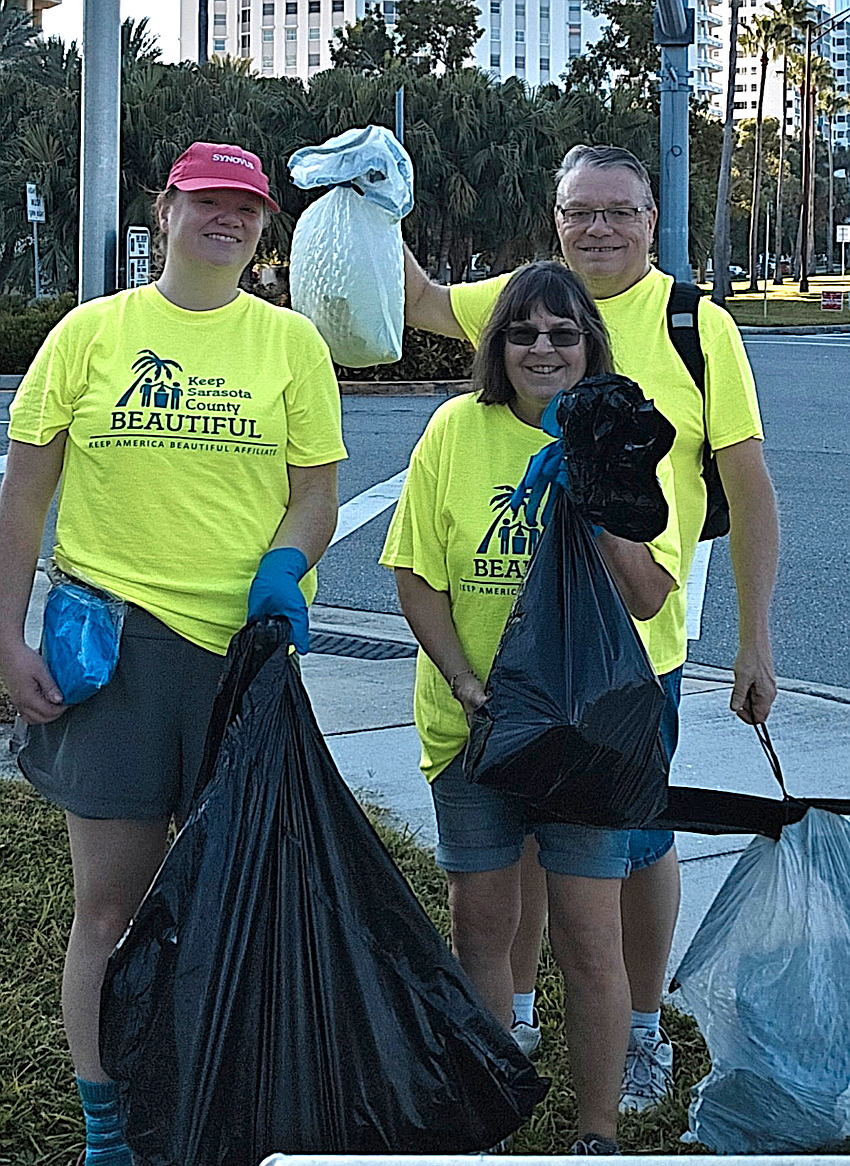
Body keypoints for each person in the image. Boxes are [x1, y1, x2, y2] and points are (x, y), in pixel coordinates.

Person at [402, 143, 779, 1115]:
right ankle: (516, 1015)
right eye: (581, 211)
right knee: (518, 839)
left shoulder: (696, 327)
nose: (600, 227)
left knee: (637, 839)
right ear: (555, 217)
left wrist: (755, 640)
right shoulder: (532, 304)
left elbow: (748, 487)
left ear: (652, 219)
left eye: (620, 210)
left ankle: (641, 1028)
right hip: (508, 652)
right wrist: (372, 195)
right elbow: (416, 301)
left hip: (634, 655)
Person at [0, 141, 347, 1166]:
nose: (227, 219)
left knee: (231, 896)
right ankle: (110, 1128)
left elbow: (315, 493)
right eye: (208, 201)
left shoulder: (290, 346)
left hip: (242, 657)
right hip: (114, 651)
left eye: (247, 207)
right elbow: (23, 489)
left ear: (263, 227)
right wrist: (5, 633)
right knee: (110, 904)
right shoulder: (90, 334)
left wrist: (287, 565)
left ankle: (207, 1105)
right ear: (166, 209)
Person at [381, 260, 682, 1152]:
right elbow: (414, 575)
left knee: (589, 940)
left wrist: (598, 510)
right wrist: (471, 688)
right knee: (483, 928)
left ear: (591, 346)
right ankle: (489, 1119)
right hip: (473, 730)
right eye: (523, 332)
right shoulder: (453, 432)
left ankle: (597, 1132)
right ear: (496, 345)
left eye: (563, 333)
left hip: (583, 738)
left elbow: (648, 598)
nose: (543, 348)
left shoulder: (618, 432)